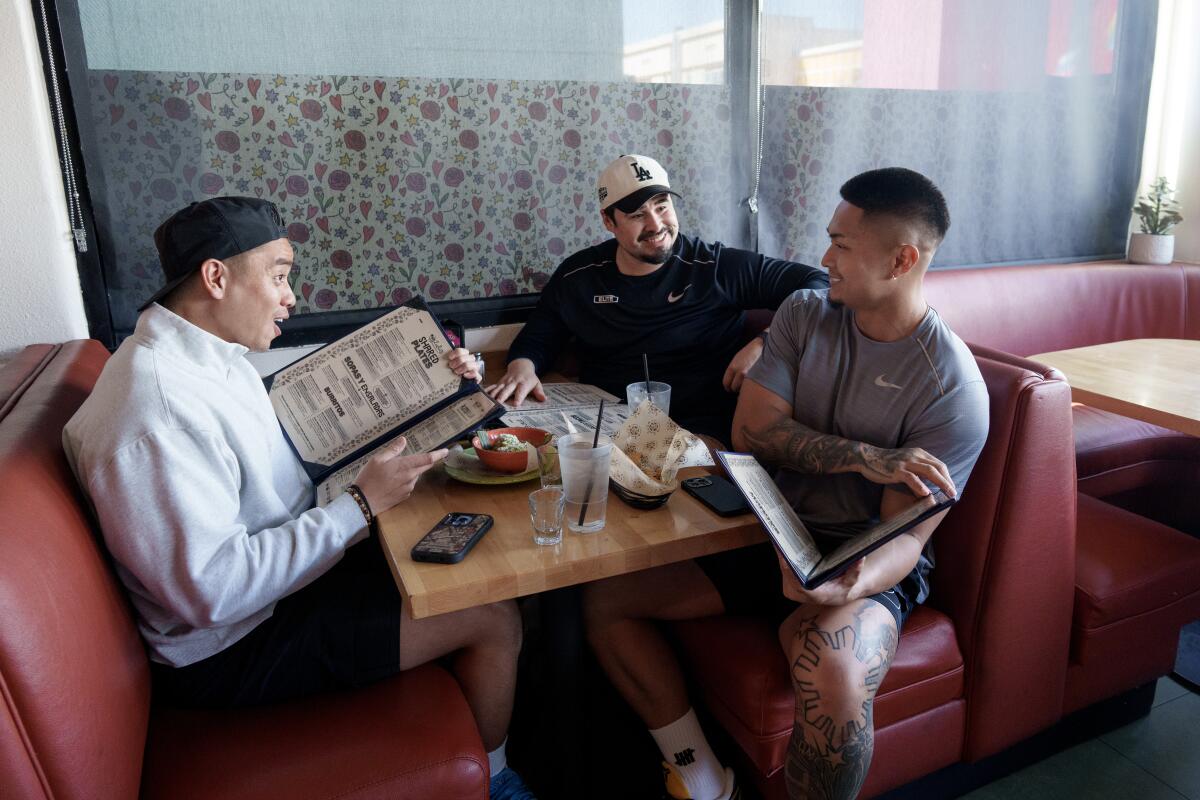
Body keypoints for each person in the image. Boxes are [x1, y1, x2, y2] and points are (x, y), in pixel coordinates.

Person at [62, 197, 536, 800]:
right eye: (280, 276)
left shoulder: (210, 361)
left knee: (467, 557)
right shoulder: (156, 414)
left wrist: (436, 389)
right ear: (216, 276)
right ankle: (495, 783)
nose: (291, 298)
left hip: (270, 597)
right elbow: (213, 591)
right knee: (491, 612)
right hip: (229, 650)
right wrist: (360, 508)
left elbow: (295, 461)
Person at [582, 168, 989, 800]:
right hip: (766, 532)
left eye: (842, 246)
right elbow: (754, 433)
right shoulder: (806, 311)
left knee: (834, 671)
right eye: (829, 238)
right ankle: (701, 775)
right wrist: (865, 456)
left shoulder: (951, 388)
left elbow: (901, 540)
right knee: (606, 600)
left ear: (902, 259)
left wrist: (845, 582)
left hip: (858, 558)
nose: (824, 258)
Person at [485, 154, 828, 444]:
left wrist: (767, 342)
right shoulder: (580, 274)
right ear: (609, 221)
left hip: (700, 429)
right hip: (607, 423)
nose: (655, 225)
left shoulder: (714, 265)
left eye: (662, 207)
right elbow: (540, 334)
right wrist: (522, 367)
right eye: (637, 215)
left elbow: (820, 285)